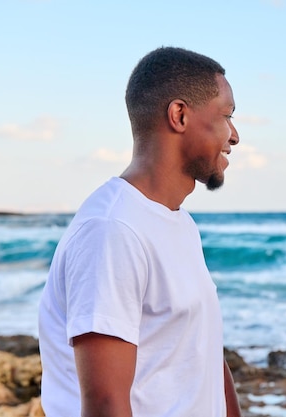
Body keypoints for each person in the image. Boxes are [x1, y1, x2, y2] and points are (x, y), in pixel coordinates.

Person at [38, 46, 242, 417]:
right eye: (227, 116)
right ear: (179, 115)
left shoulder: (178, 222)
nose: (235, 136)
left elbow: (204, 355)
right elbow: (105, 405)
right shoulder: (112, 231)